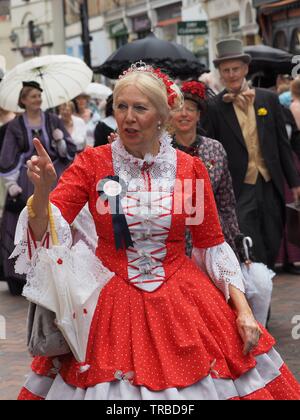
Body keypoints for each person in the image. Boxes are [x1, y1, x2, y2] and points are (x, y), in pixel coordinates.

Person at [16, 64, 300, 400]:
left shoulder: (190, 169)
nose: (128, 117)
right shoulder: (92, 163)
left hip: (183, 296)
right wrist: (44, 192)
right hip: (110, 301)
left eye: (140, 108)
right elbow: (44, 231)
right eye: (121, 106)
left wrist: (244, 310)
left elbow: (211, 245)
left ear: (162, 115)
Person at [202, 39, 300, 269]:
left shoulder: (269, 99)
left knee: (273, 238)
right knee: (248, 244)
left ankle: (262, 290)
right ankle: (258, 298)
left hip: (269, 184)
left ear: (246, 69)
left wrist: (295, 183)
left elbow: (283, 145)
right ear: (220, 73)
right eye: (226, 70)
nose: (231, 74)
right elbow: (210, 150)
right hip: (238, 188)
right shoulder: (214, 108)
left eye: (235, 68)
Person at [0, 81, 76, 295]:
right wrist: (11, 183)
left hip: (53, 176)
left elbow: (67, 150)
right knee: (27, 220)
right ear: (23, 100)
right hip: (27, 177)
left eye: (39, 95)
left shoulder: (53, 121)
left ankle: (56, 269)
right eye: (33, 96)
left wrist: (60, 141)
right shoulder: (15, 125)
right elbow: (7, 154)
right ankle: (21, 276)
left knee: (56, 218)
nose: (37, 99)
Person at [170, 81, 240, 257]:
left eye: (190, 109)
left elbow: (226, 202)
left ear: (199, 115)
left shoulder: (215, 149)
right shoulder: (161, 151)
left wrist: (235, 237)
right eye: (178, 109)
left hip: (212, 235)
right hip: (174, 237)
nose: (184, 114)